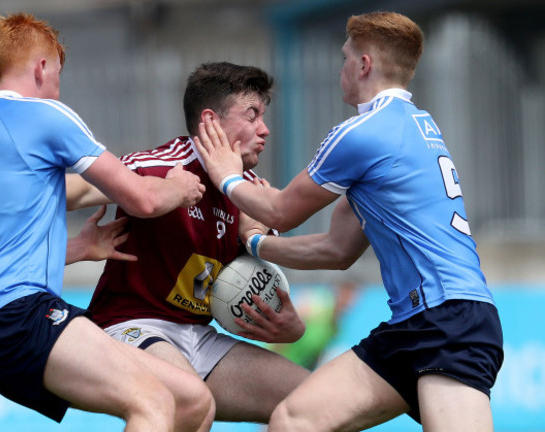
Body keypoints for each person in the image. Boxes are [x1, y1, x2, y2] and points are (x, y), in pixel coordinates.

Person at [195, 12, 504, 431]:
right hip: (413, 325)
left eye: (345, 58)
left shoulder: (362, 133)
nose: (340, 68)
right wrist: (254, 245)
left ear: (363, 65)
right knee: (293, 419)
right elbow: (336, 250)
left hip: (448, 320)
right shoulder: (416, 126)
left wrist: (226, 176)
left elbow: (282, 211)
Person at [0, 12, 215, 432]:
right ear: (42, 68)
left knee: (193, 401)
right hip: (22, 315)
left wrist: (79, 249)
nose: (58, 87)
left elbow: (0, 246)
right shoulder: (42, 116)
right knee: (154, 402)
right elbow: (140, 201)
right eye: (59, 74)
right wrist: (179, 187)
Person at [66, 62, 310, 424]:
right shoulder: (159, 167)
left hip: (200, 337)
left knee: (315, 405)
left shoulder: (250, 194)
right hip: (131, 325)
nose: (265, 129)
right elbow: (71, 191)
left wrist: (293, 329)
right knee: (189, 402)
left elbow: (286, 269)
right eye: (252, 115)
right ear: (211, 121)